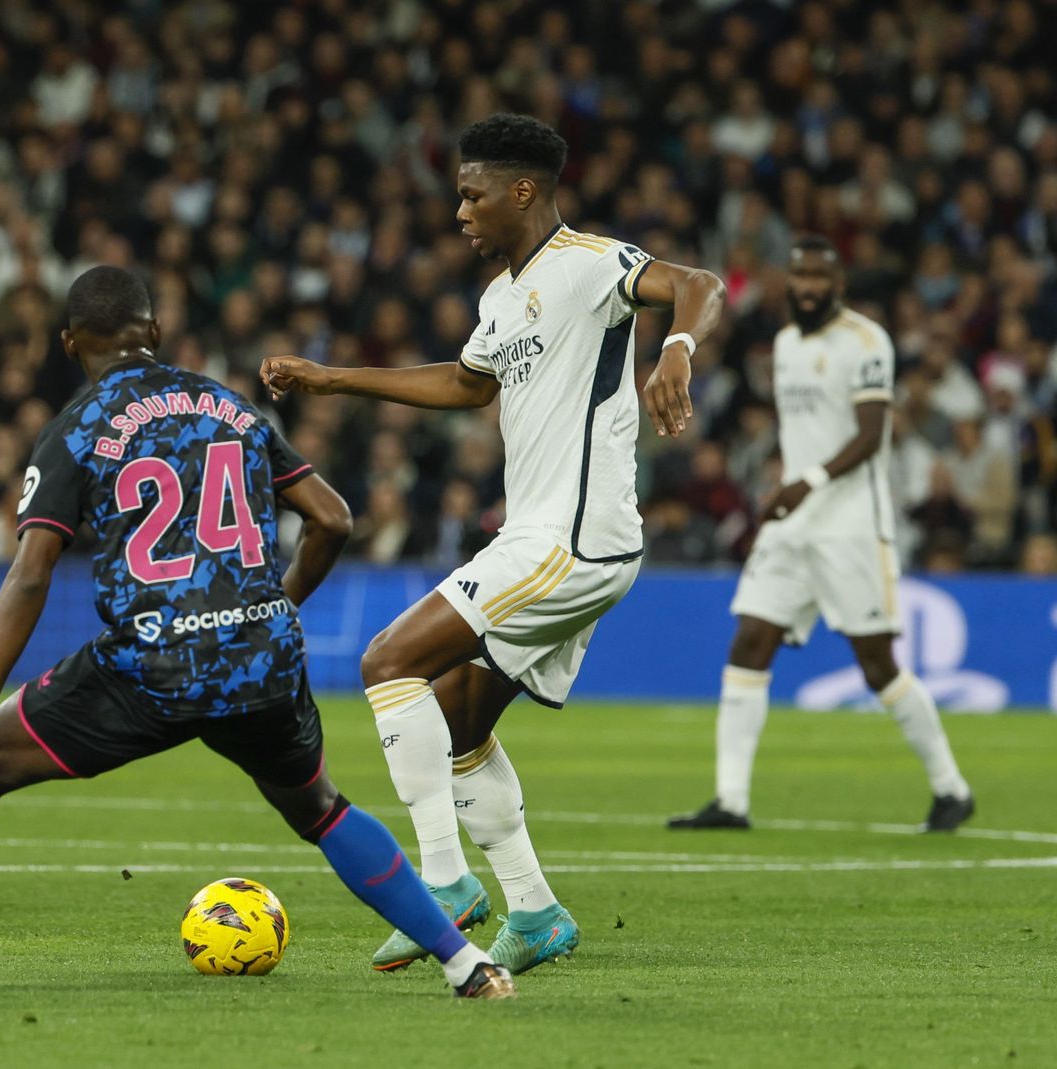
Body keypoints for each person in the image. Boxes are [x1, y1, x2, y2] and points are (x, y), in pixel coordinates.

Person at [0, 265, 514, 1000]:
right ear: (154, 331)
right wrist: (277, 606)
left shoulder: (76, 428)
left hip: (148, 666)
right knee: (320, 807)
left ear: (69, 344)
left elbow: (29, 574)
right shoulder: (232, 407)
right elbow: (334, 518)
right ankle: (469, 965)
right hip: (260, 659)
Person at [261, 113, 726, 975]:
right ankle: (536, 908)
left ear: (523, 190)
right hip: (551, 537)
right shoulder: (500, 298)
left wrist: (677, 350)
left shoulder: (589, 263)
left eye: (473, 196)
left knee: (387, 662)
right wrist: (332, 378)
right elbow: (466, 383)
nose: (461, 212)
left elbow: (699, 281)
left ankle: (442, 884)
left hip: (571, 538)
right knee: (457, 718)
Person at [668, 236, 974, 832]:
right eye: (799, 277)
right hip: (793, 525)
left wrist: (806, 480)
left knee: (877, 665)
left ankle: (951, 789)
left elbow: (871, 434)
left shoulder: (867, 341)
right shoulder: (786, 344)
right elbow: (805, 433)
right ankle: (731, 800)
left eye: (818, 278)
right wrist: (787, 484)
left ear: (838, 285)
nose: (807, 288)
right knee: (749, 642)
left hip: (850, 526)